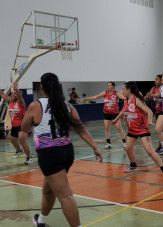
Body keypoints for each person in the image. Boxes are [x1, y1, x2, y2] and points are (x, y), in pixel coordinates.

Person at [21, 73, 102, 227]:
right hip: (67, 152)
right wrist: (95, 147)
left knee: (65, 196)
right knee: (48, 190)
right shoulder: (67, 105)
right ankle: (41, 221)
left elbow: (24, 129)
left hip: (50, 155)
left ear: (42, 87)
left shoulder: (36, 105)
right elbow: (81, 129)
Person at [112, 82, 163, 180]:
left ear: (128, 90)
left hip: (142, 129)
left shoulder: (137, 100)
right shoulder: (126, 100)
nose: (122, 91)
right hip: (132, 129)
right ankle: (133, 165)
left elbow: (149, 111)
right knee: (128, 149)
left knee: (150, 151)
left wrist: (149, 120)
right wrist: (116, 119)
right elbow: (123, 111)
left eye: (123, 89)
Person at [0, 78, 33, 164]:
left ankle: (29, 157)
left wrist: (16, 89)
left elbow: (19, 96)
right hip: (14, 125)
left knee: (22, 139)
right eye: (12, 93)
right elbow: (2, 94)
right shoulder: (10, 100)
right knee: (12, 139)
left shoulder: (21, 102)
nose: (13, 94)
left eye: (14, 93)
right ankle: (19, 151)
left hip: (22, 124)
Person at [79, 82, 126, 149]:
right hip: (106, 112)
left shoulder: (116, 93)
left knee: (118, 127)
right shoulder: (105, 93)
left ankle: (124, 143)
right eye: (108, 85)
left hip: (115, 113)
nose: (108, 86)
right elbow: (95, 97)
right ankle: (108, 143)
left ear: (113, 87)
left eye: (110, 85)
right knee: (107, 128)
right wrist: (84, 99)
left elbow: (124, 98)